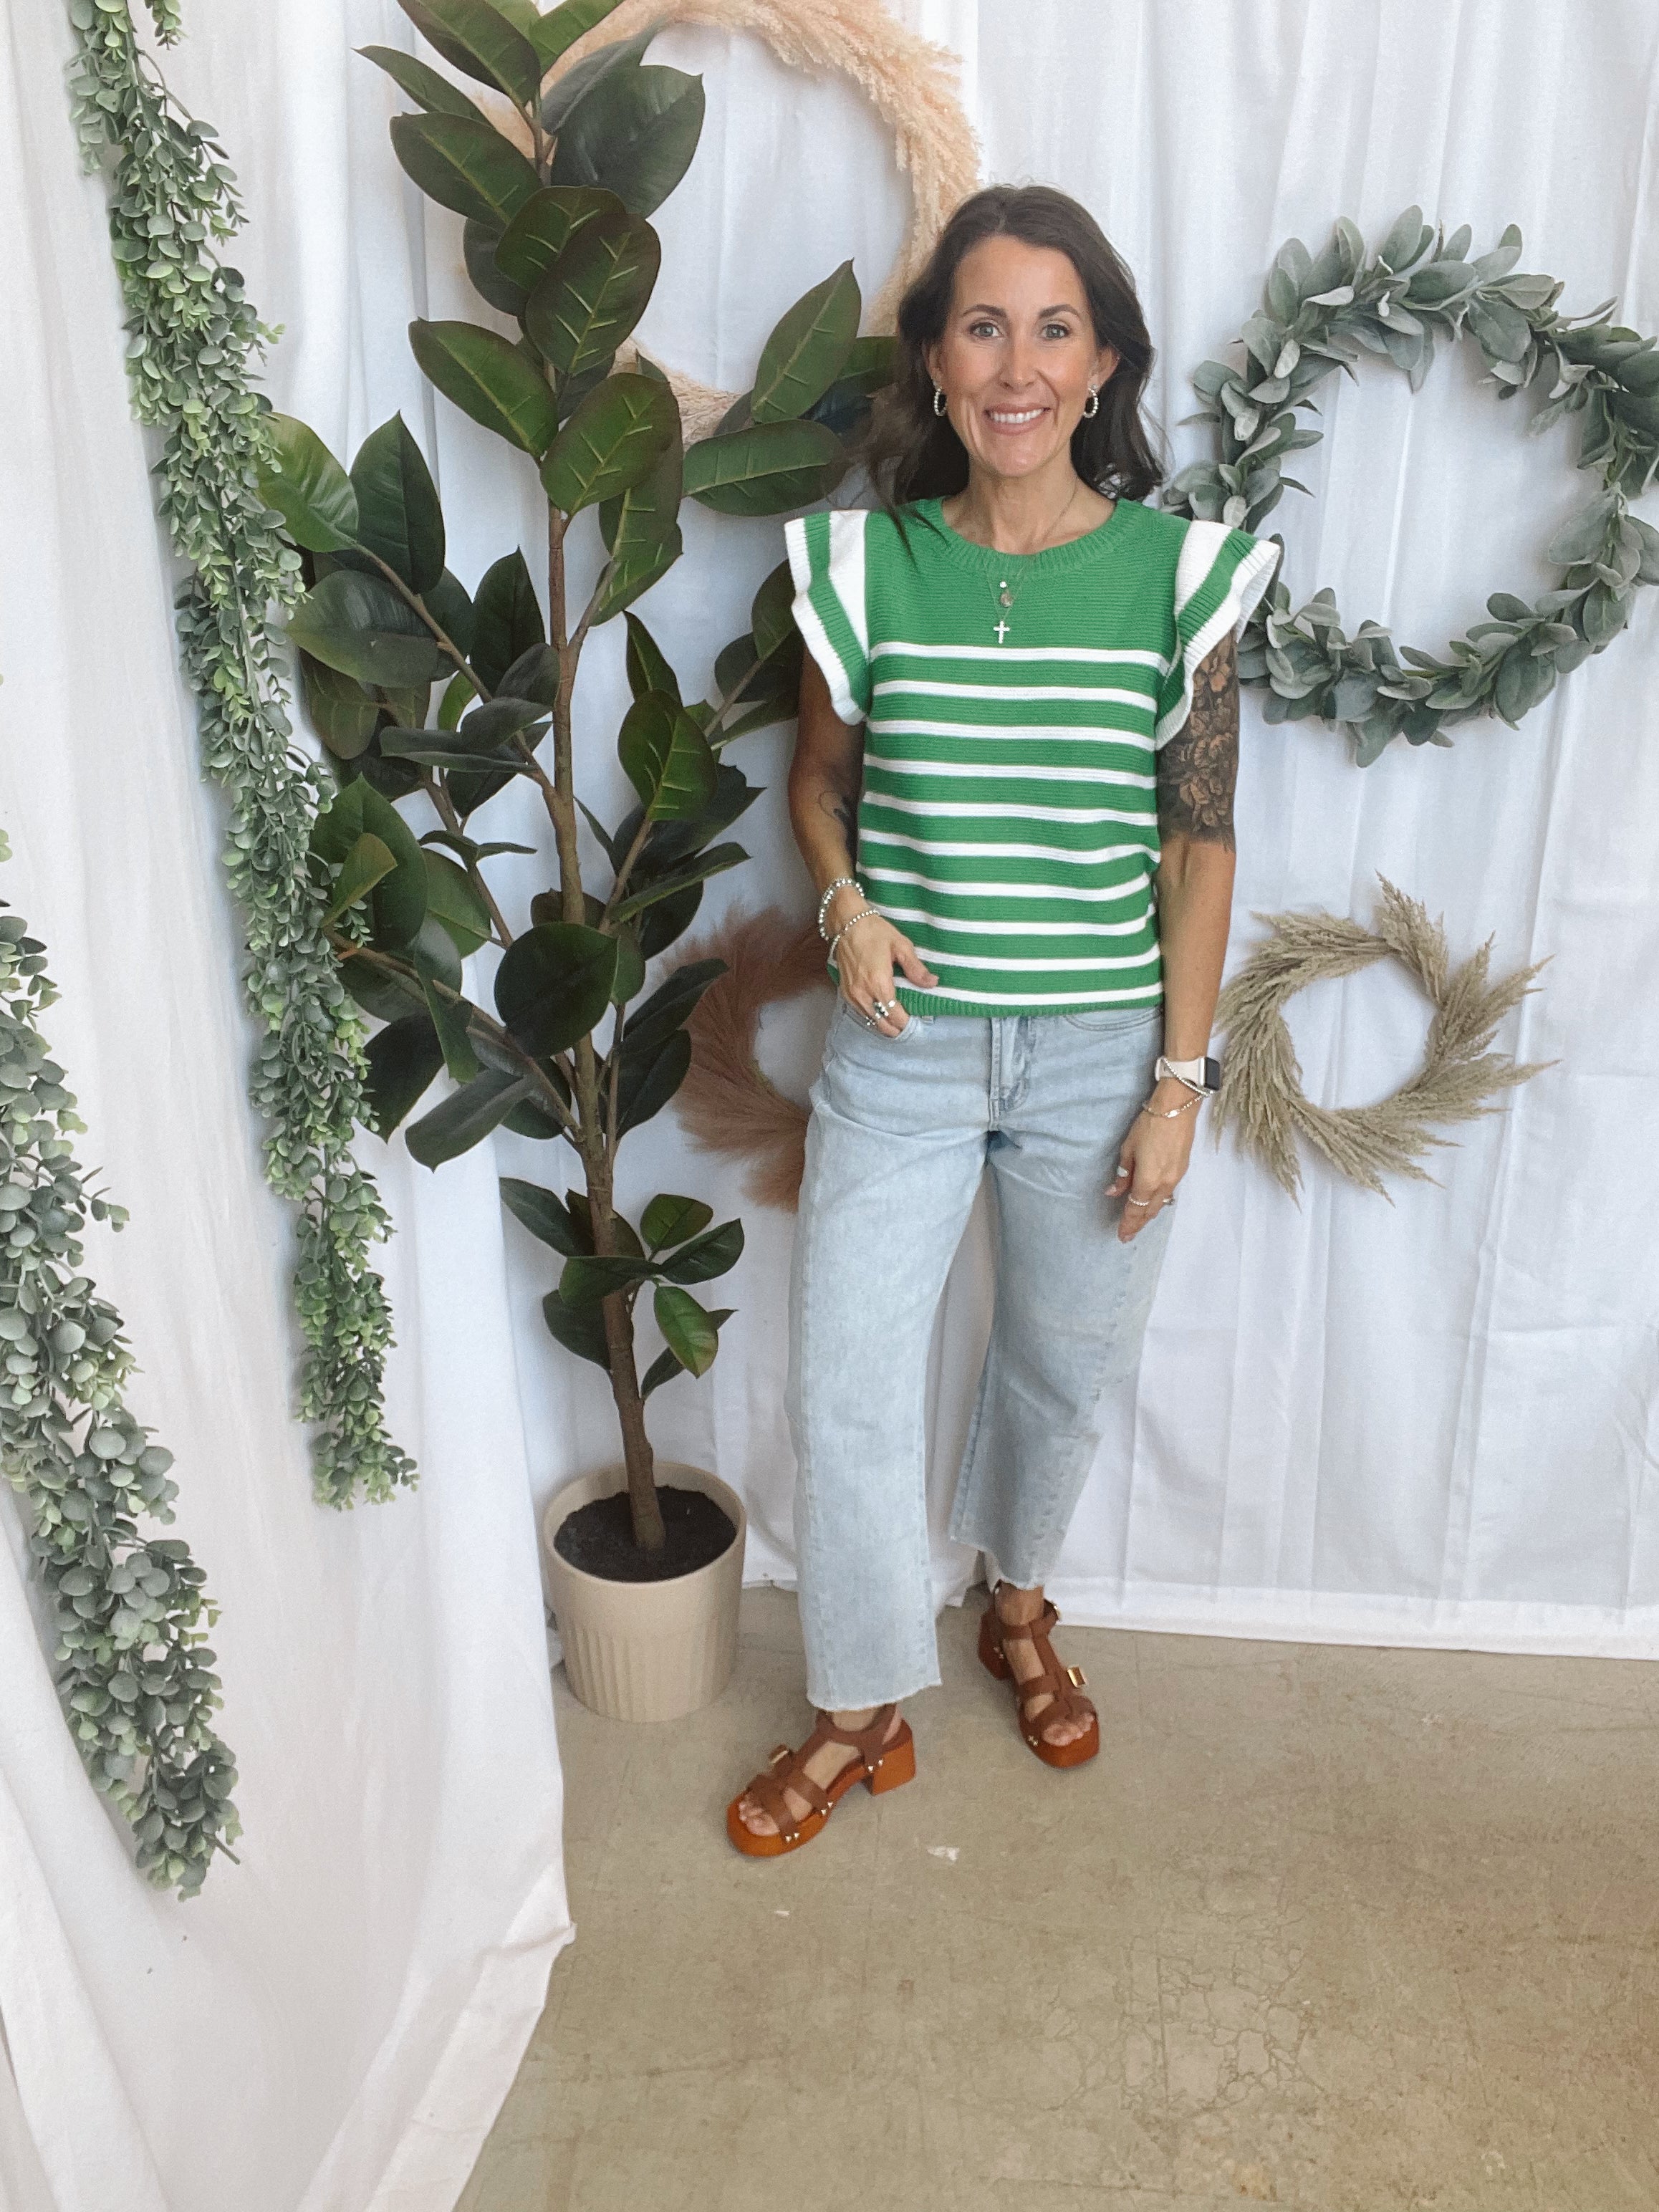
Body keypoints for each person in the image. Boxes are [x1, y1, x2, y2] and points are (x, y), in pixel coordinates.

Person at [727, 186, 1278, 1855]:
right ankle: (858, 1703)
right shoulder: (861, 564)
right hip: (902, 1048)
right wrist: (845, 901)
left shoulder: (1181, 577)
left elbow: (1199, 846)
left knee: (1060, 1362)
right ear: (936, 359)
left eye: (1055, 329)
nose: (1018, 366)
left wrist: (1179, 1084)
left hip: (1105, 1049)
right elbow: (817, 783)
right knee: (847, 1383)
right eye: (983, 326)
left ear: (1104, 363)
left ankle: (1017, 1601)